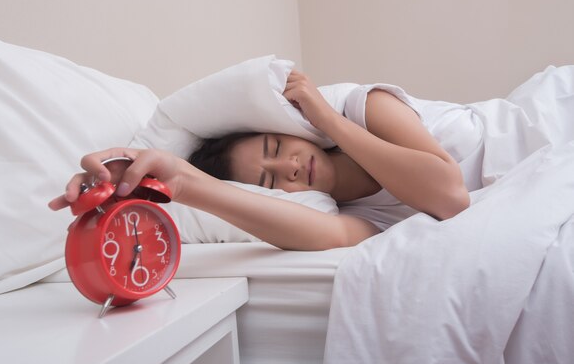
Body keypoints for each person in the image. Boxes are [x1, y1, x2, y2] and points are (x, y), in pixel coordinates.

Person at [49, 70, 471, 250]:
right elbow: (329, 234)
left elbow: (450, 194)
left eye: (275, 148)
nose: (287, 167)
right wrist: (181, 183)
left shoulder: (365, 108)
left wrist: (325, 116)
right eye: (271, 183)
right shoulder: (351, 216)